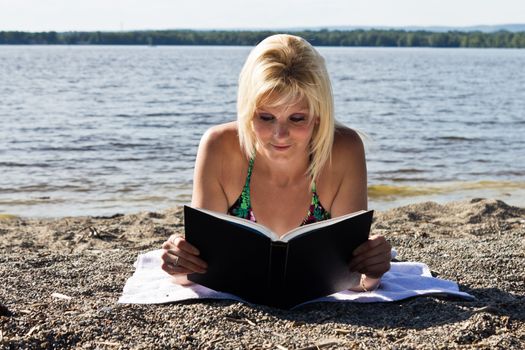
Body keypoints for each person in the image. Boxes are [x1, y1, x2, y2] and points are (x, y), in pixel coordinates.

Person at [161, 34, 391, 292]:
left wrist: (373, 272)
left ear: (319, 115)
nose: (280, 135)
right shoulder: (219, 147)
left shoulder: (343, 150)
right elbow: (197, 272)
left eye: (297, 118)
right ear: (247, 112)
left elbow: (354, 280)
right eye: (267, 117)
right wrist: (179, 263)